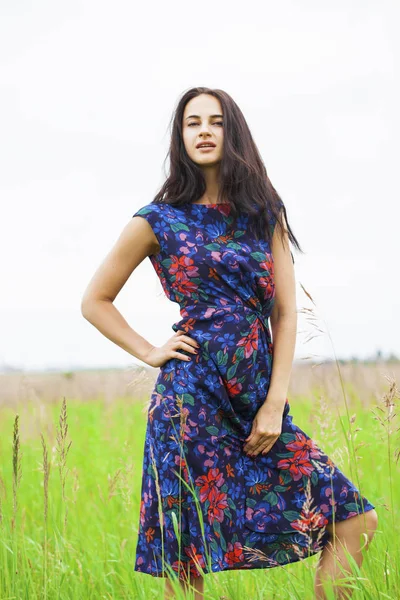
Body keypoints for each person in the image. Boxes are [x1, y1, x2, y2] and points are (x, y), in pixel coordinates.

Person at [81, 87, 378, 600]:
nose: (202, 131)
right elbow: (96, 300)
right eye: (191, 123)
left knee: (354, 519)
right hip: (189, 401)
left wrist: (274, 402)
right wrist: (151, 351)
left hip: (257, 399)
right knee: (187, 557)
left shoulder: (264, 212)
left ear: (231, 132)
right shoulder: (158, 219)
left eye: (214, 122)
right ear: (180, 136)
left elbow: (285, 313)